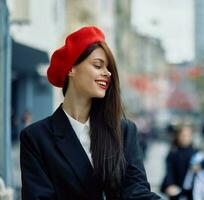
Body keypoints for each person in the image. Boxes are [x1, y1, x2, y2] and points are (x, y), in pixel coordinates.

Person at [20, 26, 162, 200]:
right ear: (71, 68)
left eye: (108, 67)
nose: (107, 73)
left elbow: (136, 191)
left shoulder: (123, 131)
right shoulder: (36, 137)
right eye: (97, 65)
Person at [160, 125, 197, 200]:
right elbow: (169, 171)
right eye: (183, 135)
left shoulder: (196, 153)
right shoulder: (173, 153)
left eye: (188, 135)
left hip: (192, 191)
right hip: (176, 189)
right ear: (178, 136)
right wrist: (169, 185)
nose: (185, 138)